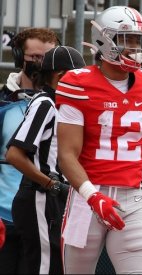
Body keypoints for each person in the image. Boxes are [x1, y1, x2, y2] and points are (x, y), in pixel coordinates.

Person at [55, 6, 142, 274]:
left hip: (132, 200)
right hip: (87, 201)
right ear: (104, 41)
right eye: (126, 39)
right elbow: (67, 155)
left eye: (138, 40)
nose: (135, 47)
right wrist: (93, 197)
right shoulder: (77, 83)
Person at [5, 46, 85, 274]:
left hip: (52, 197)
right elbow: (13, 154)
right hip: (40, 196)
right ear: (61, 75)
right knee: (45, 266)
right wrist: (51, 184)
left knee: (56, 266)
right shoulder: (45, 104)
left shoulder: (64, 107)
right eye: (79, 75)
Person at [0, 28, 58, 274]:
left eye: (47, 57)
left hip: (45, 219)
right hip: (3, 219)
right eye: (34, 57)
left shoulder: (67, 105)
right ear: (18, 57)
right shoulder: (3, 104)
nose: (41, 64)